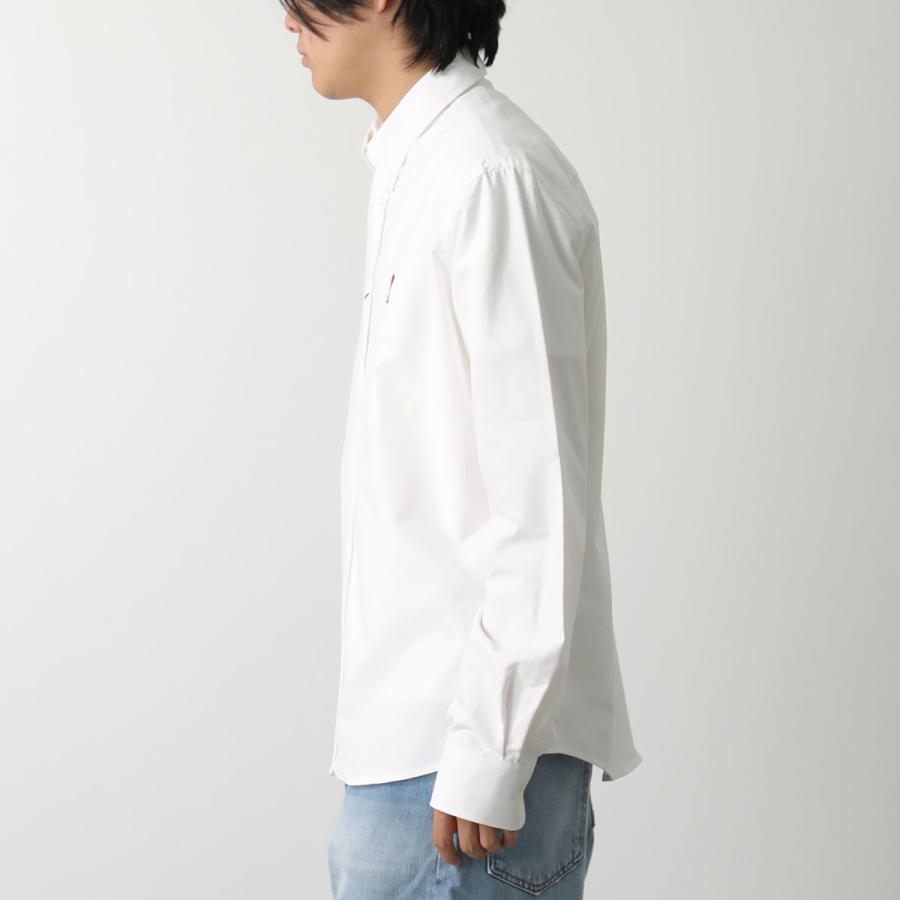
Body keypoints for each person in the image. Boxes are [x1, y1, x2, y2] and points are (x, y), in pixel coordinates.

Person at [282, 2, 642, 896]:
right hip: (417, 757)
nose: (283, 16)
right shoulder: (427, 167)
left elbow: (540, 499)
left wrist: (490, 749)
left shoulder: (487, 176)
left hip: (456, 775)